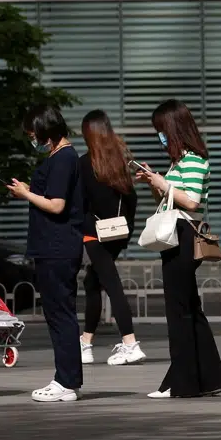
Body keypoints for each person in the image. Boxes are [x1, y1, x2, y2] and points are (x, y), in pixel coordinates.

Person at [134, 100, 221, 399]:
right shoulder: (179, 161)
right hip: (176, 234)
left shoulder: (195, 160)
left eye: (161, 130)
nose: (159, 136)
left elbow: (191, 201)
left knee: (179, 312)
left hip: (184, 236)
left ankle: (181, 382)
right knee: (191, 310)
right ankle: (208, 379)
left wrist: (163, 183)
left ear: (174, 129)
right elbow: (171, 200)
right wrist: (155, 181)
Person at [9, 105, 85, 403]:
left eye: (33, 135)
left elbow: (56, 205)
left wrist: (26, 194)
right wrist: (29, 189)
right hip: (54, 247)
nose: (33, 140)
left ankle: (66, 381)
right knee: (58, 314)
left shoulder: (64, 158)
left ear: (46, 131)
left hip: (58, 247)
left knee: (60, 315)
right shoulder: (59, 157)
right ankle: (66, 380)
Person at [77, 110, 144, 367]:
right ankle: (86, 343)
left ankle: (130, 343)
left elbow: (80, 202)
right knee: (93, 283)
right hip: (117, 232)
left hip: (94, 234)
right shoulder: (120, 162)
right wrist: (127, 229)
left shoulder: (84, 164)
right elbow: (132, 200)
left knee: (111, 284)